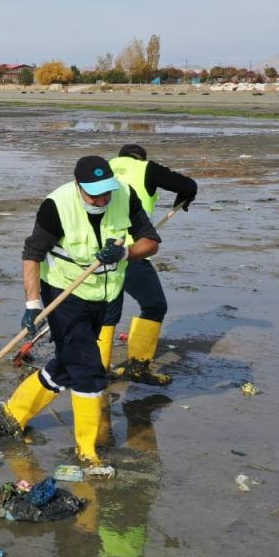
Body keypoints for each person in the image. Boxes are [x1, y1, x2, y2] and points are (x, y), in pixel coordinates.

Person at [3, 156, 160, 465]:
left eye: (107, 192)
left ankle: (14, 413)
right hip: (64, 291)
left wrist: (126, 251)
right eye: (95, 194)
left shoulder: (124, 196)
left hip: (106, 292)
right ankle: (86, 450)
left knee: (70, 361)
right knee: (88, 369)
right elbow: (32, 254)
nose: (103, 199)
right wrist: (33, 305)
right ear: (78, 187)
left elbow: (152, 242)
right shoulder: (56, 206)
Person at [106, 144, 198, 386]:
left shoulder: (104, 167)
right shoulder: (146, 168)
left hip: (96, 253)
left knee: (105, 311)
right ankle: (137, 367)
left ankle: (98, 369)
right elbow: (188, 185)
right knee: (154, 305)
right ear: (141, 157)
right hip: (130, 251)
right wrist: (185, 197)